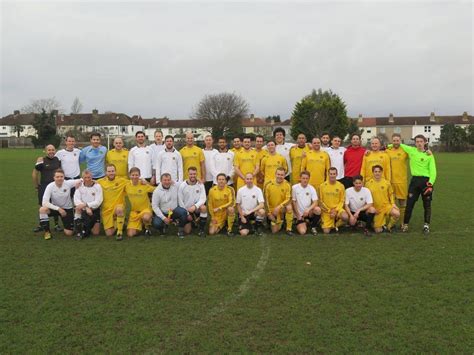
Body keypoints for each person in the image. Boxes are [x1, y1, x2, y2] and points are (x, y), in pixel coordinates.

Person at [390, 134, 437, 234]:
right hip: (414, 181)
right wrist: (387, 146)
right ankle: (405, 224)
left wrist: (430, 183)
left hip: (426, 182)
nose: (419, 143)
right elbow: (398, 144)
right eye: (417, 142)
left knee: (427, 205)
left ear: (425, 142)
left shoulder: (429, 155)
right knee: (410, 204)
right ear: (415, 143)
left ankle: (426, 225)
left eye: (421, 141)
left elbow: (433, 171)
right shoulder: (411, 150)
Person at [38, 169, 81, 240]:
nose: (59, 178)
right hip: (56, 208)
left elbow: (83, 179)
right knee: (42, 209)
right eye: (57, 177)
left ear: (64, 177)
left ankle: (71, 225)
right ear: (54, 178)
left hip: (67, 209)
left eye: (61, 176)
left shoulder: (68, 183)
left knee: (69, 233)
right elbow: (44, 202)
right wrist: (58, 209)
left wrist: (93, 181)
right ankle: (47, 232)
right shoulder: (50, 186)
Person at [32, 144, 62, 232]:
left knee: (55, 204)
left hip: (55, 187)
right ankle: (42, 225)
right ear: (45, 151)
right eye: (49, 150)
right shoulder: (41, 160)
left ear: (55, 151)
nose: (51, 152)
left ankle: (56, 225)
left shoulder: (57, 160)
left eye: (53, 150)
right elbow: (34, 174)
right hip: (44, 186)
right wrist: (37, 186)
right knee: (42, 205)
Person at [151, 173, 188, 238]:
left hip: (174, 210)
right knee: (156, 223)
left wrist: (197, 179)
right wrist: (164, 218)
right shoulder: (156, 191)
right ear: (161, 181)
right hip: (163, 212)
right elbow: (155, 206)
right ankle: (162, 229)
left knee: (183, 212)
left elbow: (185, 183)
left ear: (171, 180)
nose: (167, 182)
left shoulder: (175, 186)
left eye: (168, 180)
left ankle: (180, 230)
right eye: (165, 180)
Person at [98, 164, 128, 240]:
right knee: (109, 233)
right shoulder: (100, 182)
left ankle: (119, 232)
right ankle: (120, 222)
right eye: (109, 171)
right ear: (106, 172)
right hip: (106, 210)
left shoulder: (122, 181)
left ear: (115, 171)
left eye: (112, 171)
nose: (111, 173)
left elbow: (134, 181)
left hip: (118, 207)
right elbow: (89, 182)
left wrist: (143, 181)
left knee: (119, 209)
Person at [365, 165, 400, 233]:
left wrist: (393, 204)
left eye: (379, 171)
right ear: (373, 172)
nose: (377, 173)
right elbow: (365, 197)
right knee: (378, 230)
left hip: (386, 206)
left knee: (396, 213)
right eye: (375, 171)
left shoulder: (386, 183)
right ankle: (376, 223)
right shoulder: (368, 184)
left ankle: (389, 227)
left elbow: (391, 194)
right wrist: (369, 208)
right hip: (376, 208)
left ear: (382, 172)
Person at [385, 133, 409, 227]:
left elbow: (416, 152)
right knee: (391, 203)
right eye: (394, 140)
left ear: (400, 141)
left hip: (402, 181)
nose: (396, 142)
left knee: (402, 202)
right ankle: (392, 221)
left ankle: (402, 223)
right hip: (390, 181)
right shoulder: (388, 151)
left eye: (397, 140)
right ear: (392, 141)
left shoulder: (405, 151)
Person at [125, 167, 156, 237]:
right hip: (134, 212)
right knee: (130, 234)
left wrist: (147, 183)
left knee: (146, 217)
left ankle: (147, 227)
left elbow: (155, 190)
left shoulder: (143, 184)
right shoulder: (126, 185)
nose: (134, 177)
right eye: (133, 175)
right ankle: (141, 225)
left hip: (145, 210)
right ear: (129, 176)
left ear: (139, 175)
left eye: (136, 175)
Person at [178, 167, 208, 237]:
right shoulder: (182, 185)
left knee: (203, 208)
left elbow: (203, 198)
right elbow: (180, 202)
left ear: (196, 174)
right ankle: (192, 221)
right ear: (188, 174)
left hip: (196, 208)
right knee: (187, 231)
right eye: (191, 174)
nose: (193, 176)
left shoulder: (200, 184)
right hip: (187, 209)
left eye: (194, 174)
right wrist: (187, 213)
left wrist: (195, 206)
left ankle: (201, 230)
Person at [73, 170, 103, 240]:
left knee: (95, 233)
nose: (87, 179)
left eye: (89, 177)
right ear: (82, 178)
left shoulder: (97, 186)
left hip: (94, 210)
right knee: (77, 208)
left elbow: (98, 201)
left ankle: (84, 228)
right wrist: (86, 207)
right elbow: (76, 200)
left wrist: (87, 205)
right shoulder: (79, 186)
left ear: (92, 177)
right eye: (85, 178)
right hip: (84, 209)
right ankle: (79, 231)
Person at [318, 167, 348, 234]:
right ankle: (322, 221)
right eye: (331, 174)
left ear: (337, 174)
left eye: (334, 174)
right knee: (326, 231)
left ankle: (335, 225)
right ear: (328, 174)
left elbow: (342, 200)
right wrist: (329, 210)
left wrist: (335, 210)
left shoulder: (341, 186)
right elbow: (320, 201)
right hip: (327, 210)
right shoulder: (322, 186)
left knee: (345, 217)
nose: (332, 175)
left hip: (337, 209)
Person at [264, 167, 293, 235]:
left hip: (281, 208)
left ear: (284, 175)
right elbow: (265, 201)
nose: (280, 176)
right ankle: (278, 221)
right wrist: (269, 214)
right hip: (271, 210)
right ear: (275, 174)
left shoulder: (288, 184)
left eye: (282, 175)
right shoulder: (268, 184)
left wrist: (279, 207)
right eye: (278, 174)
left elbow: (289, 199)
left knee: (289, 207)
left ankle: (288, 228)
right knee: (275, 231)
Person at [292, 171, 321, 236]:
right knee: (302, 232)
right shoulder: (294, 188)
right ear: (300, 178)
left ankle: (313, 227)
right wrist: (298, 215)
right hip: (299, 215)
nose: (305, 180)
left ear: (309, 179)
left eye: (306, 178)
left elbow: (315, 202)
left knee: (317, 209)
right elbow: (293, 202)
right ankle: (305, 222)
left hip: (308, 213)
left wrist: (308, 209)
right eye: (303, 178)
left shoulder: (311, 188)